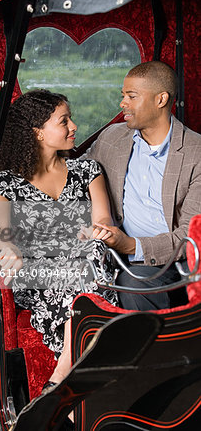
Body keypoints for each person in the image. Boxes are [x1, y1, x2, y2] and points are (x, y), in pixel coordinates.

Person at [0, 89, 117, 388]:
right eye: (64, 121)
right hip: (40, 277)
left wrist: (98, 231)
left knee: (90, 253)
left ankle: (60, 380)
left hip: (87, 267)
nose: (74, 127)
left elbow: (103, 220)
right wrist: (8, 250)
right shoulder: (6, 182)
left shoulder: (87, 170)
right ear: (38, 133)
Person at [84, 60, 201, 310]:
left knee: (134, 286)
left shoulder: (196, 153)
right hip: (119, 259)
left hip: (180, 261)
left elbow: (189, 236)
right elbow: (72, 174)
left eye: (131, 96)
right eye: (123, 95)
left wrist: (131, 245)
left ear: (161, 99)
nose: (122, 103)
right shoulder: (111, 139)